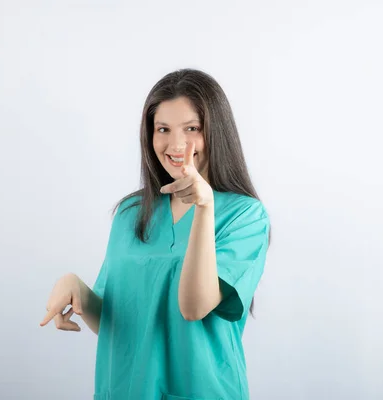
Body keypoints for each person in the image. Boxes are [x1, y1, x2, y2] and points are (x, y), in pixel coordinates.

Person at [39, 68, 271, 400]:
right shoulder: (132, 214)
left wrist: (204, 208)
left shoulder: (244, 216)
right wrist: (77, 288)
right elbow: (116, 322)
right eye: (163, 129)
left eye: (192, 128)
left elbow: (194, 308)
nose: (176, 144)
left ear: (215, 133)